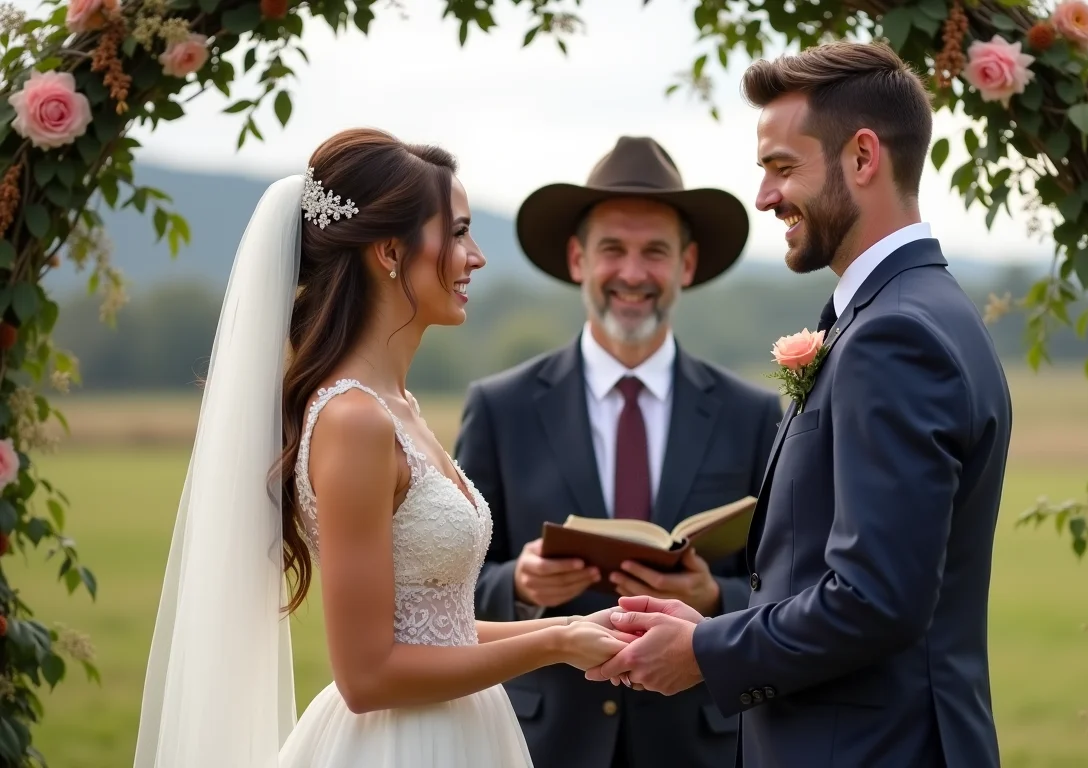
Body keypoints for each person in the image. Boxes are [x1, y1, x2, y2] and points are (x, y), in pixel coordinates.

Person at [132, 127, 632, 768]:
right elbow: (367, 677)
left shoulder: (400, 410)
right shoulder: (354, 421)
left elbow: (437, 630)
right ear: (390, 251)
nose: (475, 256)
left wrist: (572, 629)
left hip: (463, 731)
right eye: (456, 233)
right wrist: (552, 647)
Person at [587, 41, 1013, 768]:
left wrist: (704, 651)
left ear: (863, 157)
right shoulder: (901, 311)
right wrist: (716, 621)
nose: (765, 196)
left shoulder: (896, 335)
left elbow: (874, 598)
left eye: (783, 168)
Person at [455, 136, 783, 768]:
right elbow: (450, 590)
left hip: (701, 746)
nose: (633, 273)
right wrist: (519, 584)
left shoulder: (752, 413)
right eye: (613, 249)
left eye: (655, 252)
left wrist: (715, 600)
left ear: (686, 265)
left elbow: (789, 588)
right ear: (578, 258)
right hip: (541, 745)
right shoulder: (501, 407)